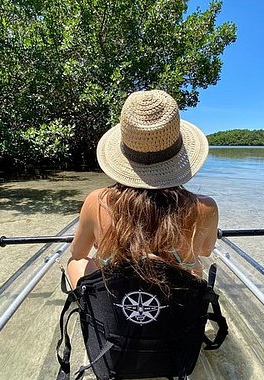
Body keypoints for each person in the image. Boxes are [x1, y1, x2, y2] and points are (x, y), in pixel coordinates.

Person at [67, 89, 218, 288]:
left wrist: (102, 239)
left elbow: (78, 252)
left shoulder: (97, 201)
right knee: (194, 267)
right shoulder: (206, 208)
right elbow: (205, 251)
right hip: (175, 306)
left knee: (76, 263)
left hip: (118, 304)